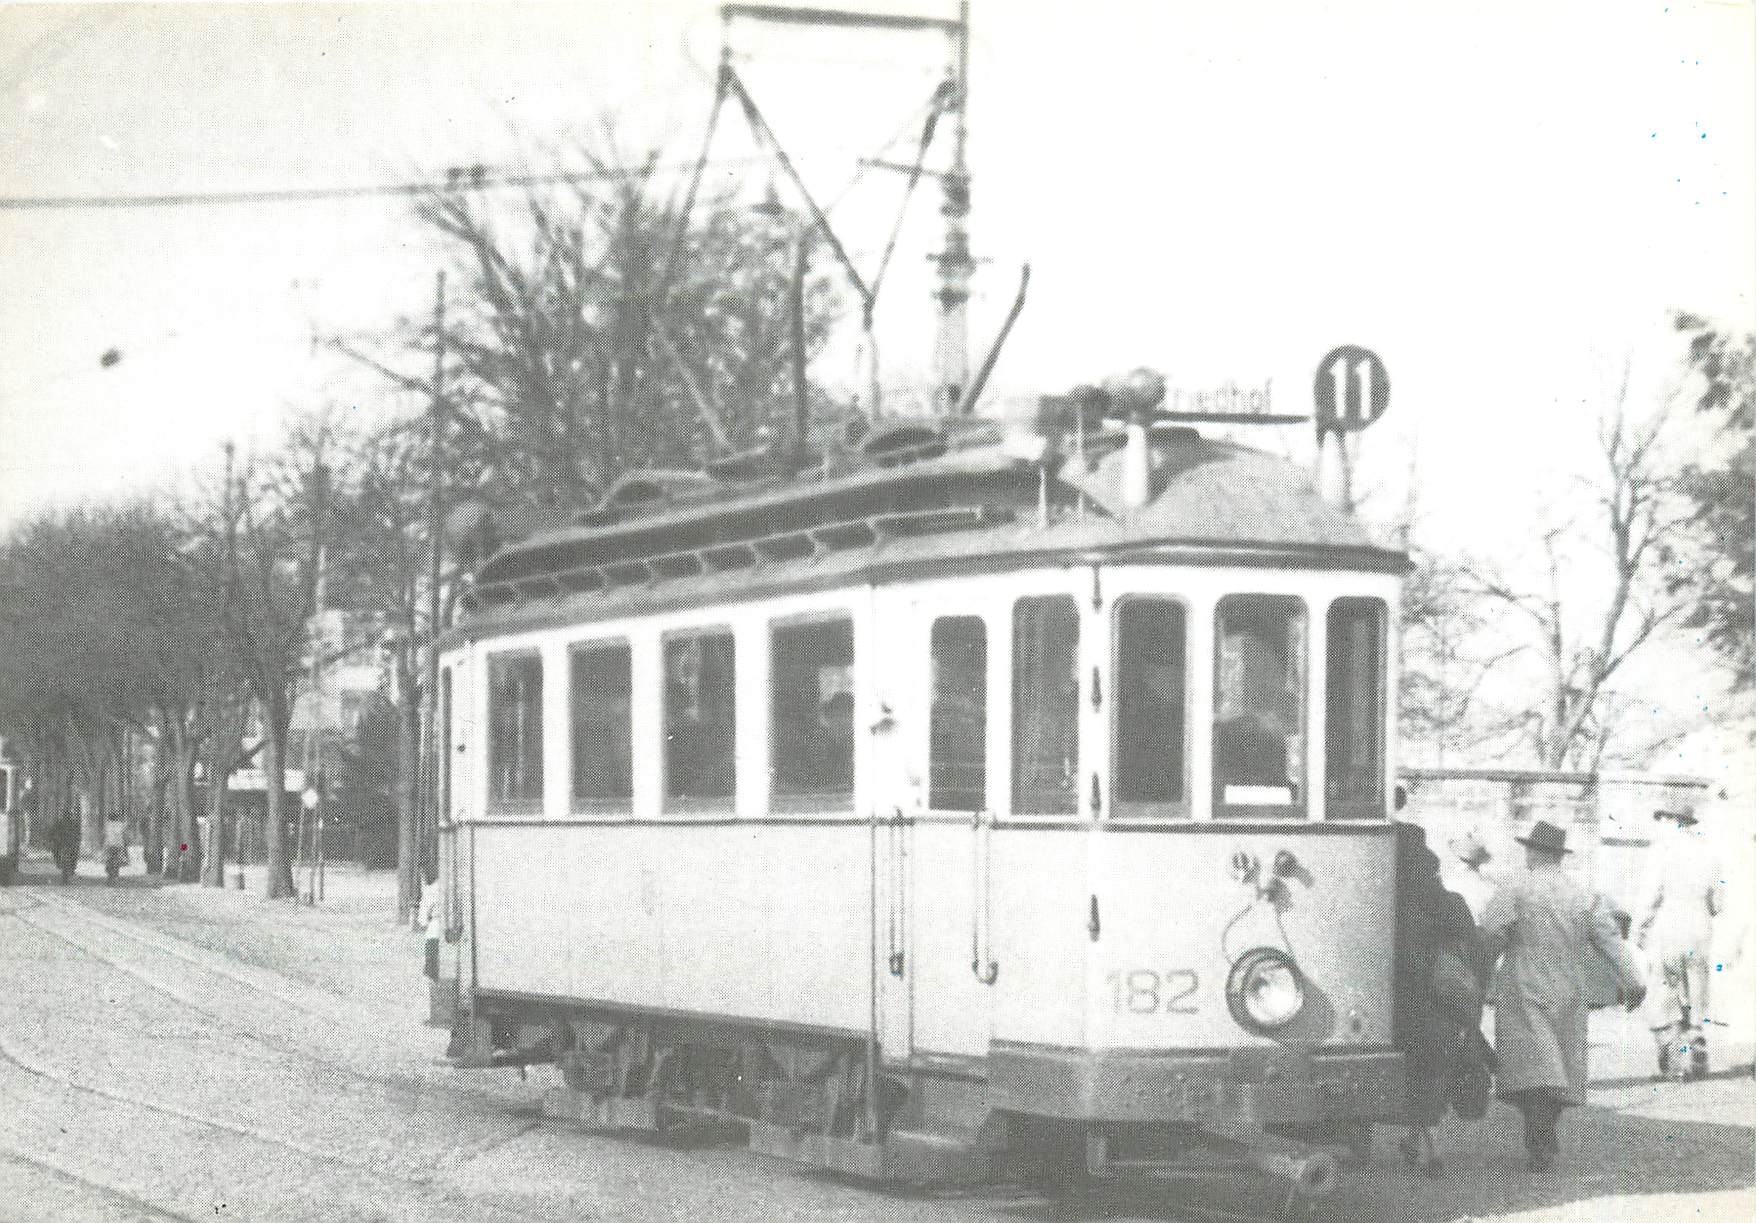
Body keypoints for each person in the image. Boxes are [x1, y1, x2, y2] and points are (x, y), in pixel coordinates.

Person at [1477, 819, 1645, 1172]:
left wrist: (1477, 977)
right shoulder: (1583, 895)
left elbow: (1491, 935)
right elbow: (1610, 942)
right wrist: (1632, 981)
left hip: (1523, 984)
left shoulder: (1516, 890)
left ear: (1533, 852)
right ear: (1558, 855)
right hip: (1569, 987)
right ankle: (1543, 1130)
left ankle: (1539, 1133)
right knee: (1559, 1069)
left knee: (1530, 1068)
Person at [1392, 823, 1482, 1176]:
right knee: (1433, 1070)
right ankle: (1424, 1142)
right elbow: (1473, 951)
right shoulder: (1448, 903)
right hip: (1438, 1003)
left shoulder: (1383, 901)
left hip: (1397, 1003)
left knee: (1413, 1069)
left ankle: (1424, 1144)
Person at [1636, 802, 1725, 1078]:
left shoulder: (1661, 852)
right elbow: (1718, 903)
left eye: (1661, 819)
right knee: (1696, 985)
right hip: (1700, 926)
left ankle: (1675, 1058)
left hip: (1669, 924)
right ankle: (1696, 1038)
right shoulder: (1709, 854)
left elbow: (1650, 896)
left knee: (1665, 989)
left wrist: (1639, 929)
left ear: (1673, 821)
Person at [418, 864, 443, 982]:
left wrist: (424, 922)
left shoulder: (431, 890)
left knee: (433, 971)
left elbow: (422, 919)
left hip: (434, 931)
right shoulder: (448, 887)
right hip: (449, 930)